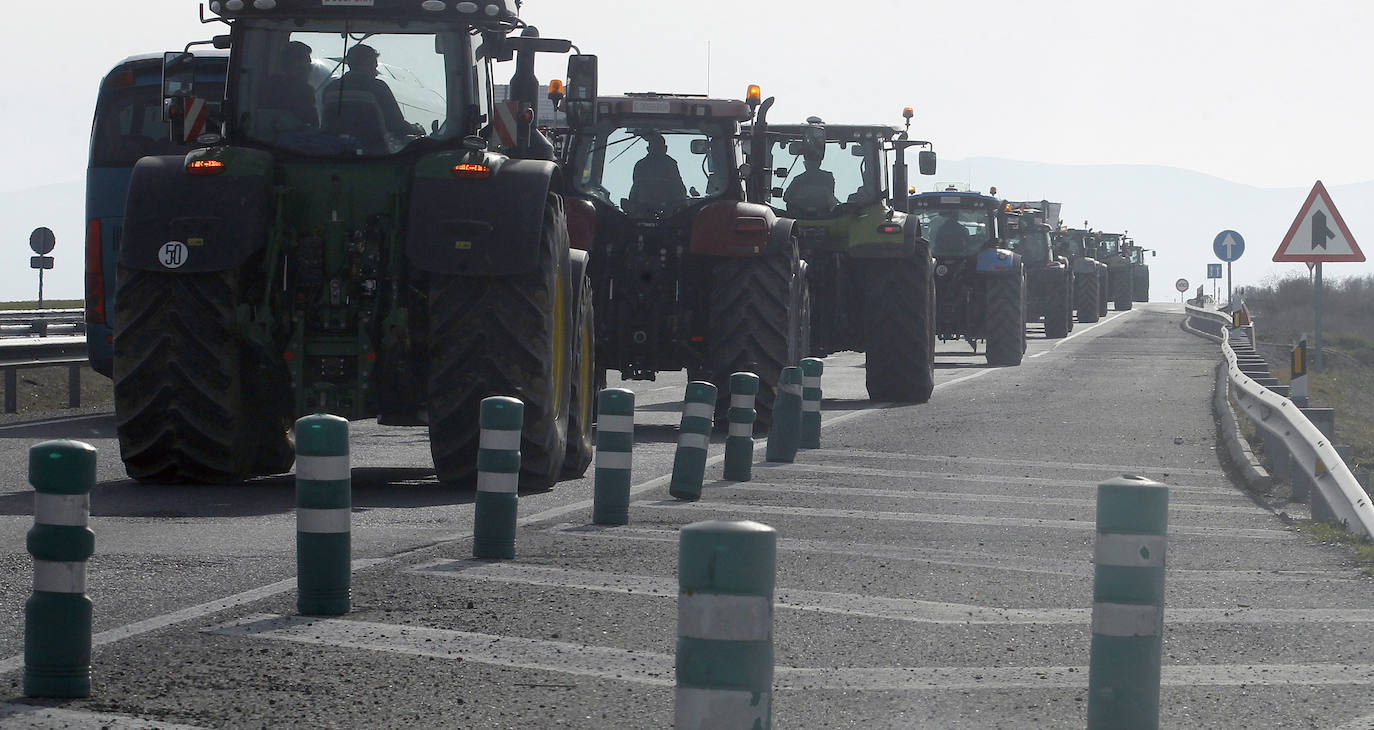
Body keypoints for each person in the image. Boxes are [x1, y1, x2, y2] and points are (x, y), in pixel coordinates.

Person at [322, 43, 421, 138]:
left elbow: (325, 123)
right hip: (374, 150)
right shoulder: (378, 88)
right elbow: (395, 124)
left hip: (337, 150)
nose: (376, 67)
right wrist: (416, 129)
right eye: (374, 62)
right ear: (366, 63)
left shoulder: (330, 88)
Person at [259, 41, 318, 128]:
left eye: (309, 65)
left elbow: (313, 123)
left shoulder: (307, 90)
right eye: (304, 65)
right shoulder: (271, 88)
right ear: (288, 64)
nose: (309, 70)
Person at [627, 133, 686, 214]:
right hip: (646, 211)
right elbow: (680, 189)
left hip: (667, 211)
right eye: (655, 148)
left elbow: (679, 189)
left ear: (665, 148)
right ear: (648, 149)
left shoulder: (670, 164)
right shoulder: (641, 165)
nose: (657, 150)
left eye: (659, 148)